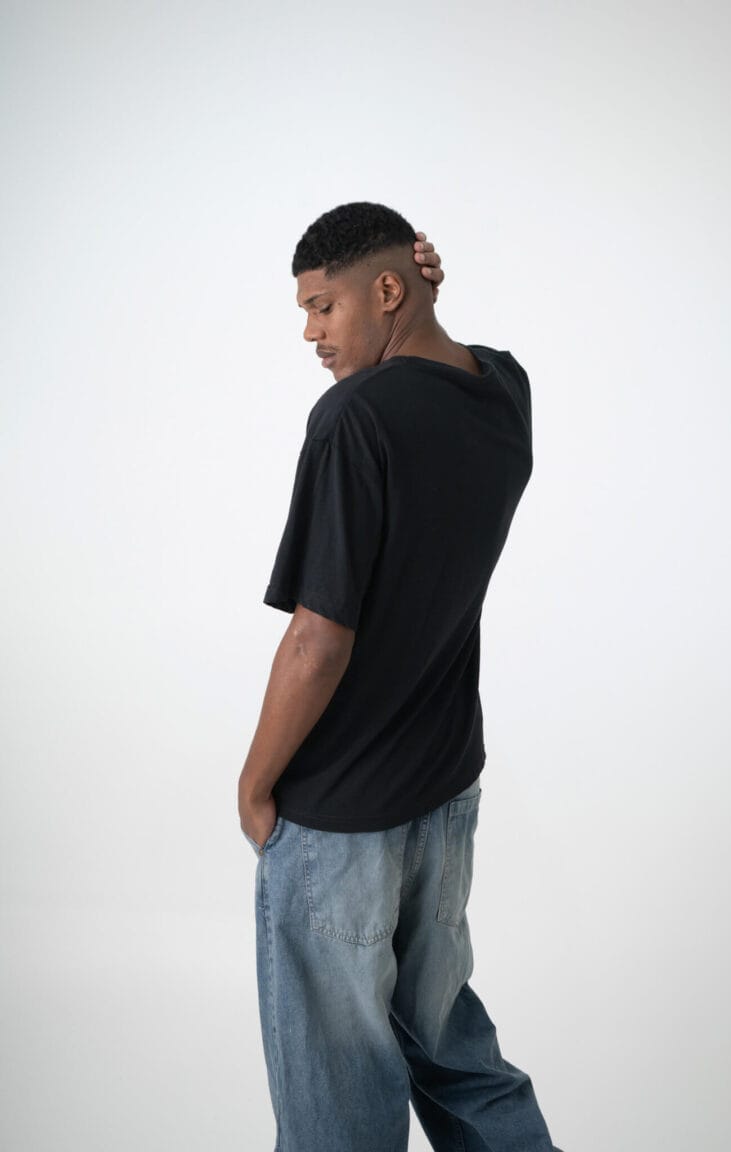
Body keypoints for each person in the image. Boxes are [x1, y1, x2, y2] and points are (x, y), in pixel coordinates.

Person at [237, 202, 562, 1152]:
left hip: (341, 815)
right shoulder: (504, 390)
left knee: (337, 1101)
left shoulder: (354, 420)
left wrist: (255, 785)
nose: (310, 333)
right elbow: (454, 357)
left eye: (323, 306)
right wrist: (419, 300)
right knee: (454, 1053)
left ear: (383, 289)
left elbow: (318, 640)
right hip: (444, 795)